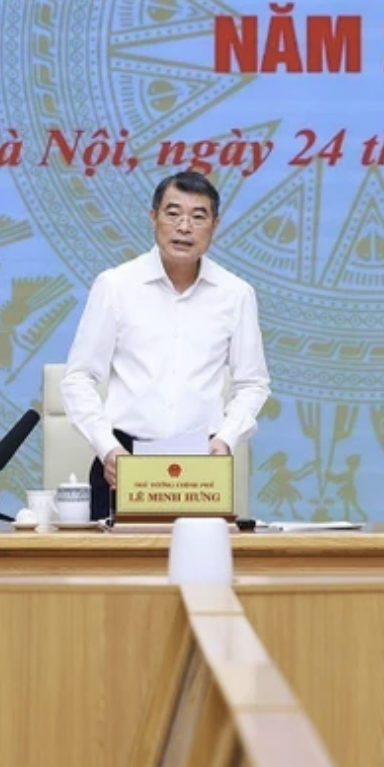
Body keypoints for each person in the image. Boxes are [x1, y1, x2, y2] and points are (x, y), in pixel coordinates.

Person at [61, 171, 271, 520]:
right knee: (116, 557)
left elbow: (253, 383)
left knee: (200, 557)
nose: (184, 227)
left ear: (215, 225)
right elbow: (78, 378)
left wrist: (226, 438)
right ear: (153, 217)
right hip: (123, 462)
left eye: (198, 216)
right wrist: (107, 448)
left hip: (202, 466)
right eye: (173, 214)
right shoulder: (115, 285)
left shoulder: (236, 294)